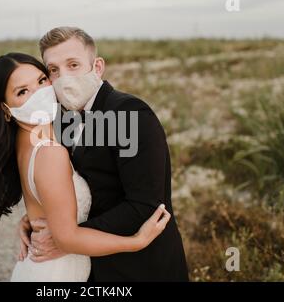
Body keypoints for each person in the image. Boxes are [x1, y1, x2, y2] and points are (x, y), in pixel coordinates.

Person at [0, 52, 171, 281]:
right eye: (22, 92)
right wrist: (135, 242)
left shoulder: (25, 138)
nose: (39, 94)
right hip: (57, 273)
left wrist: (33, 218)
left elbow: (45, 196)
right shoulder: (50, 151)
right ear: (5, 109)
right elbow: (67, 239)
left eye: (42, 81)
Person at [18, 27, 189, 281]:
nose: (63, 77)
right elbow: (75, 187)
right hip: (95, 268)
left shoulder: (130, 113)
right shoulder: (64, 118)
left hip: (143, 268)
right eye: (53, 70)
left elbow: (144, 206)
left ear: (97, 67)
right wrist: (36, 218)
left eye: (73, 65)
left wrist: (67, 237)